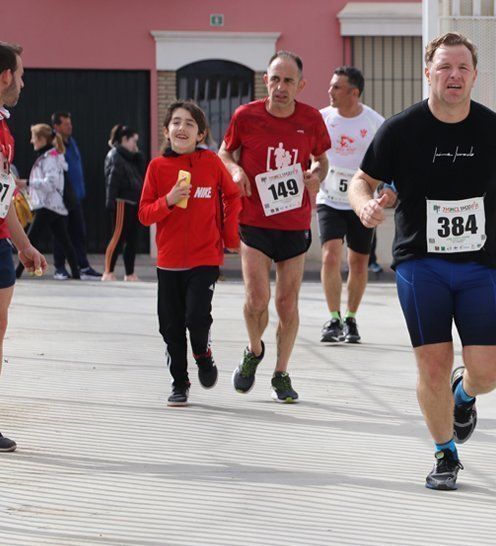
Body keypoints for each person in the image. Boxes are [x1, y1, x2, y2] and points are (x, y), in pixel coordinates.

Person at [349, 32, 496, 491]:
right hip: (421, 263)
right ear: (427, 72)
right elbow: (361, 180)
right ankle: (444, 453)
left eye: (462, 68)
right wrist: (364, 207)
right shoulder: (400, 129)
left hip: (481, 264)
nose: (454, 76)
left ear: (474, 75)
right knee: (432, 364)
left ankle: (464, 395)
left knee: (490, 371)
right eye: (444, 67)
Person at [219, 51, 330, 402]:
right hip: (254, 219)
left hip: (294, 221)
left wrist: (316, 175)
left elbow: (322, 159)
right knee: (256, 298)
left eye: (288, 81)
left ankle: (281, 372)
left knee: (286, 304)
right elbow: (224, 152)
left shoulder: (310, 119)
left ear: (301, 85)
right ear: (265, 80)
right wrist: (236, 171)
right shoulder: (245, 116)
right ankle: (254, 350)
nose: (281, 87)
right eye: (275, 79)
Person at [139, 100, 241, 406]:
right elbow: (144, 214)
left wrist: (229, 235)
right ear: (167, 131)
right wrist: (168, 200)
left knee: (196, 316)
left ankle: (203, 354)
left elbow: (232, 197)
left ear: (200, 134)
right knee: (170, 325)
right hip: (169, 262)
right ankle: (179, 382)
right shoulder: (157, 167)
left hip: (204, 258)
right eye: (176, 122)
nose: (182, 128)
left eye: (189, 124)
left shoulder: (211, 163)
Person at [0, 41, 48, 452]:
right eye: (21, 74)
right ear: (6, 74)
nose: (22, 83)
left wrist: (24, 245)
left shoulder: (3, 127)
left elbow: (0, 195)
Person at [317, 66, 387, 343]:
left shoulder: (374, 123)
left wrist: (387, 189)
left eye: (336, 87)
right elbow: (314, 154)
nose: (330, 91)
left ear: (353, 92)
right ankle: (333, 318)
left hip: (361, 203)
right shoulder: (322, 118)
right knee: (330, 255)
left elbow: (387, 162)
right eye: (331, 85)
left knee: (358, 262)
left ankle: (350, 318)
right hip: (330, 199)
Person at [14, 123, 80, 280]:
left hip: (48, 205)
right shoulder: (50, 156)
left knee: (29, 240)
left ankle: (17, 273)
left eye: (33, 138)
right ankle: (76, 274)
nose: (31, 141)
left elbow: (51, 183)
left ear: (42, 139)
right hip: (54, 205)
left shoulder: (50, 158)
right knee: (64, 240)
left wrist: (27, 183)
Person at [51, 111, 101, 280]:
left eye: (70, 124)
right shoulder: (54, 146)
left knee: (79, 234)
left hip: (76, 198)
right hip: (60, 199)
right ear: (56, 126)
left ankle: (84, 266)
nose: (70, 127)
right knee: (61, 235)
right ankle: (59, 268)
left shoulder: (72, 142)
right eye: (66, 124)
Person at [103, 124, 145, 281]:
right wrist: (110, 201)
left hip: (134, 201)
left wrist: (138, 156)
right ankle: (108, 271)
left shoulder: (131, 157)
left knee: (132, 239)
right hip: (122, 202)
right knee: (118, 237)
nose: (135, 145)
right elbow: (112, 181)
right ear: (124, 139)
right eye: (133, 141)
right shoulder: (115, 156)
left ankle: (130, 273)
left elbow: (141, 175)